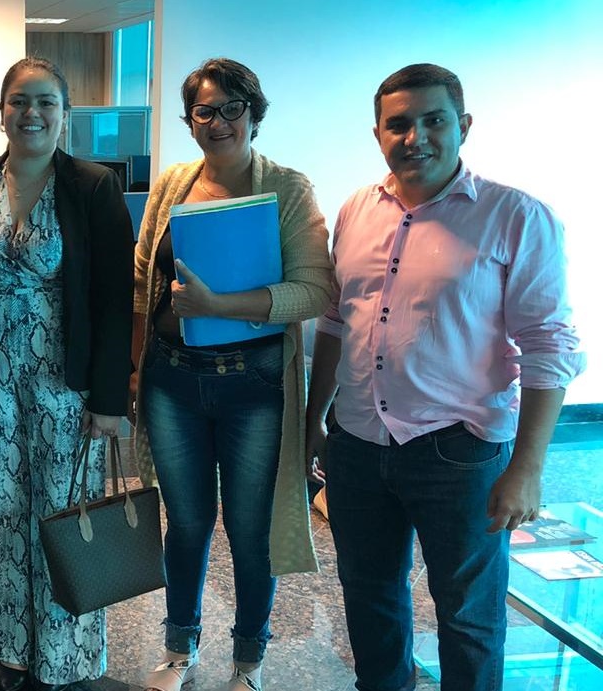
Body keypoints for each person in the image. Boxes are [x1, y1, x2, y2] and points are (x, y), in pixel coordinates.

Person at [305, 63, 585, 691]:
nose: (416, 137)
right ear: (378, 133)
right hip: (357, 443)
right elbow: (334, 321)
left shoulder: (515, 216)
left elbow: (549, 345)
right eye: (398, 124)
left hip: (458, 452)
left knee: (468, 615)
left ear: (464, 125)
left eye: (433, 120)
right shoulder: (356, 210)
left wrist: (527, 468)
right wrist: (313, 421)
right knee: (369, 599)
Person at [131, 58, 334, 691]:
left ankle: (249, 660)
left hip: (256, 387)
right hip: (172, 383)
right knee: (186, 522)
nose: (218, 122)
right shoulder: (172, 184)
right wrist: (134, 370)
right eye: (204, 110)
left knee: (250, 531)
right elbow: (140, 281)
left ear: (254, 113)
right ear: (190, 119)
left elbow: (314, 291)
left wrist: (219, 306)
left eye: (231, 108)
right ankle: (179, 647)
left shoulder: (288, 189)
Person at [0, 57, 133, 691]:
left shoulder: (93, 186)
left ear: (64, 114)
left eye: (46, 102)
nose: (32, 113)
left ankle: (64, 654)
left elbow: (113, 296)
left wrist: (110, 398)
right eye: (19, 101)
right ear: (1, 112)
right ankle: (10, 647)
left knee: (62, 511)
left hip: (64, 382)